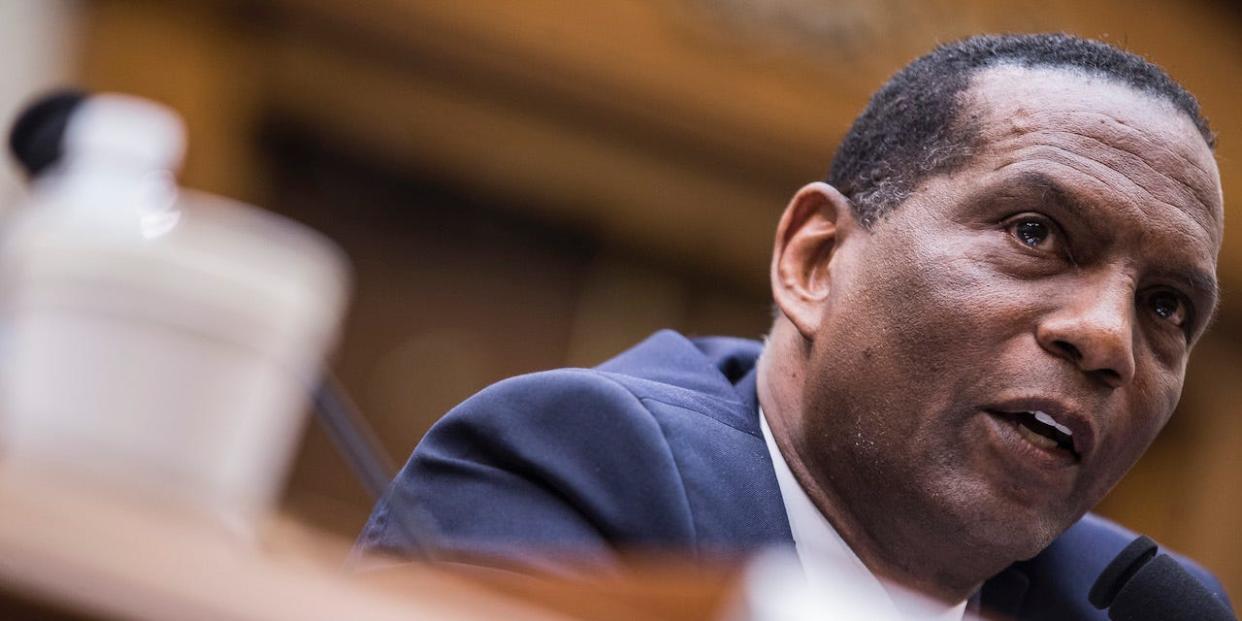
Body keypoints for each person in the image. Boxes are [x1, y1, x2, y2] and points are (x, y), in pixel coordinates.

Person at [357, 33, 1232, 619]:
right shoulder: (577, 469)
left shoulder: (1129, 607)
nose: (1107, 337)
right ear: (816, 262)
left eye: (1165, 306)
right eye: (1035, 234)